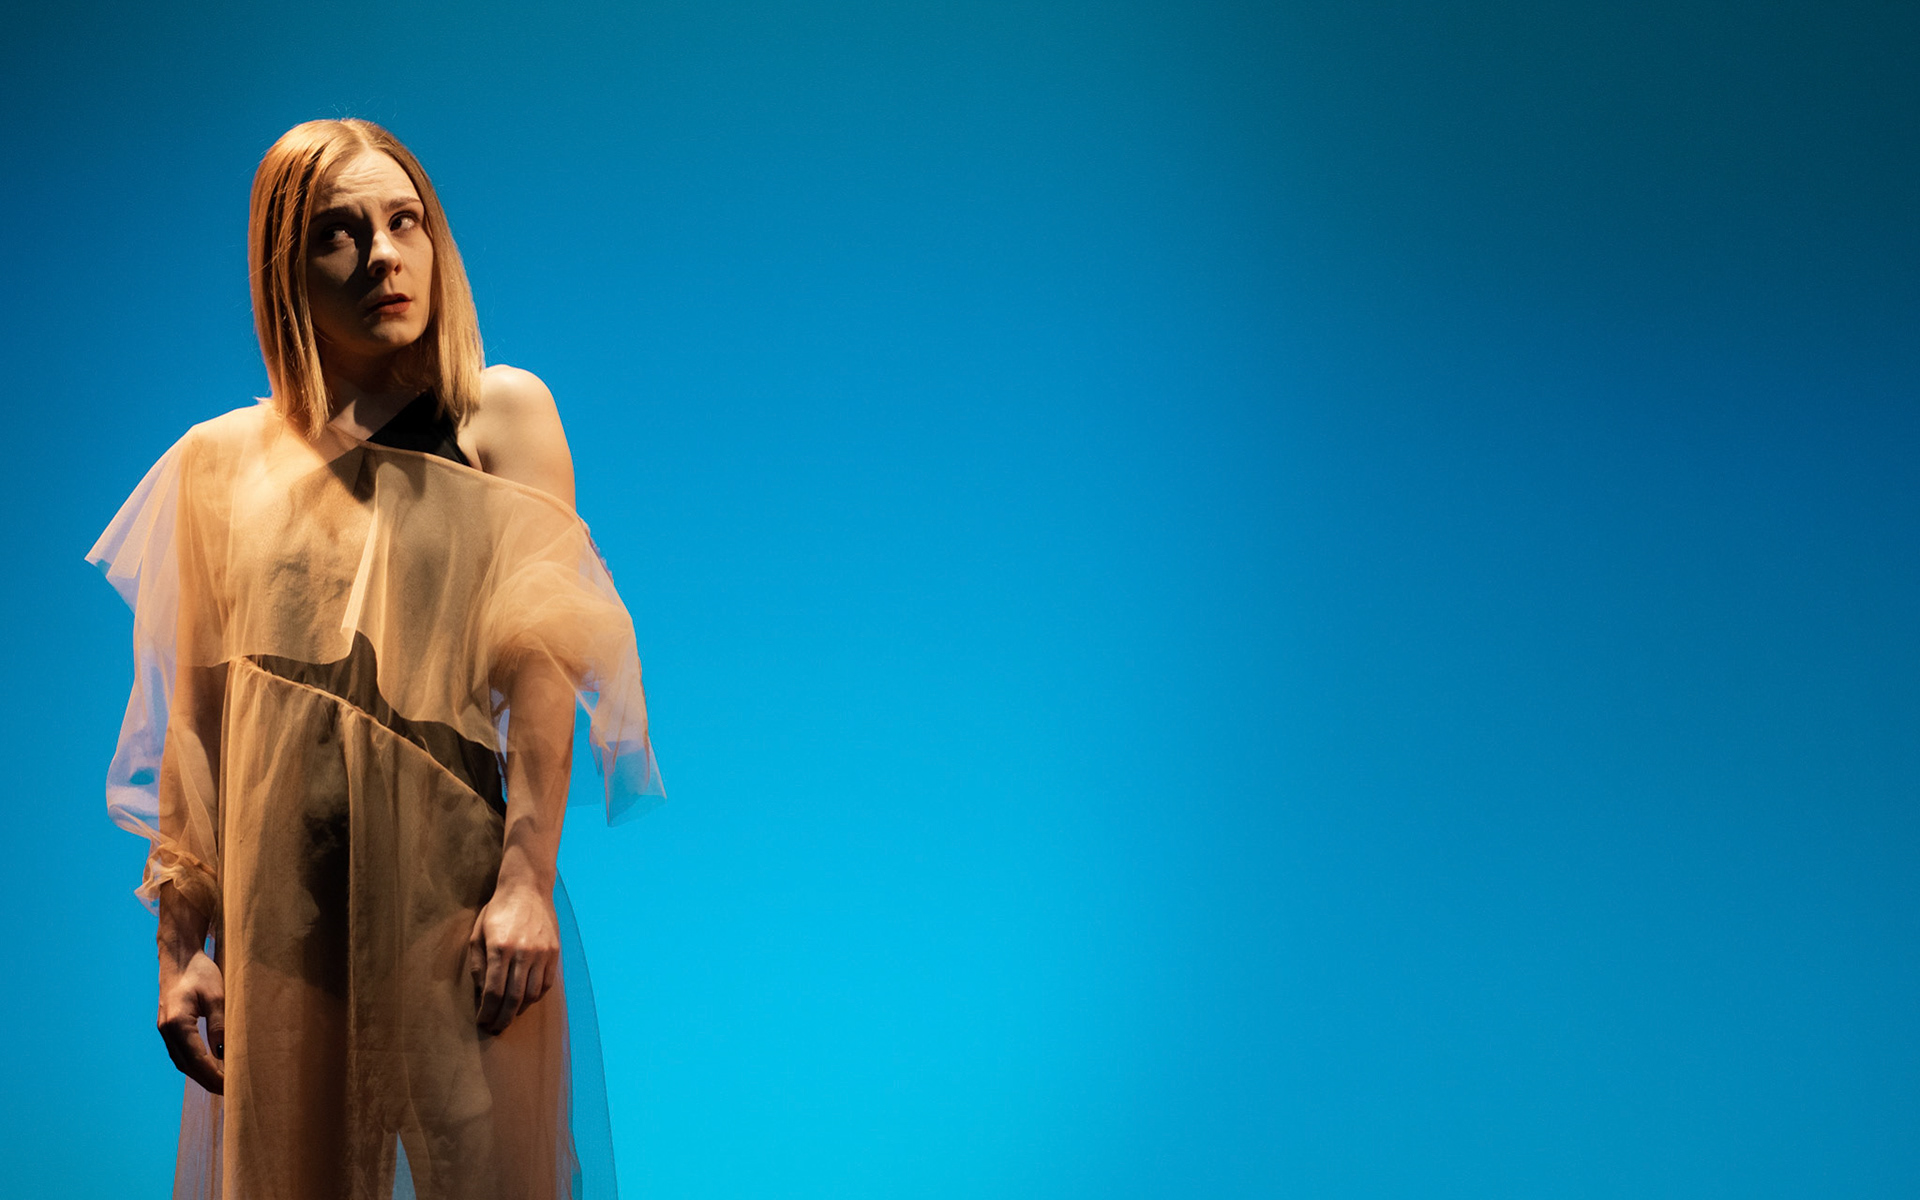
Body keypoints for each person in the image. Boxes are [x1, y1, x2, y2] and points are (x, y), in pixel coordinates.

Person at [88, 118, 663, 1199]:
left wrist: (526, 886)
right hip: (280, 915)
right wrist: (178, 950)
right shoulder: (214, 464)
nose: (383, 256)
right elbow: (197, 728)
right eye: (339, 234)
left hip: (456, 905)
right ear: (285, 268)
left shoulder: (497, 416)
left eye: (405, 223)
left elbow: (545, 666)